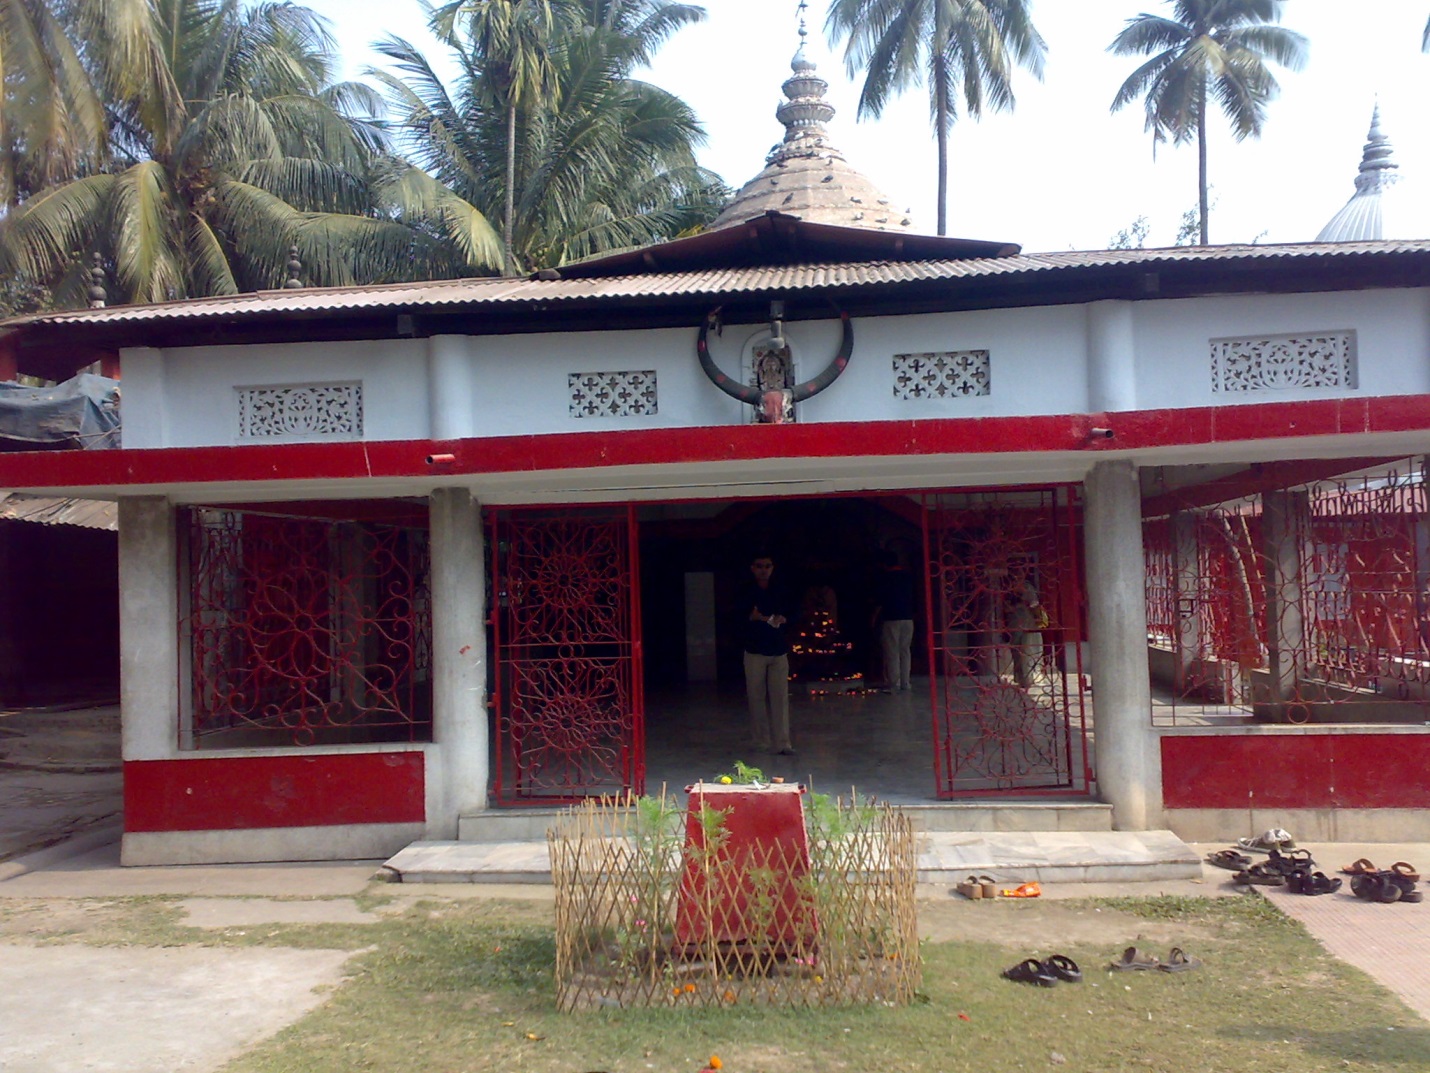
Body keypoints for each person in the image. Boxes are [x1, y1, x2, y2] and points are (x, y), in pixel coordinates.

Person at [741, 553, 795, 754]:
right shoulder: (746, 590)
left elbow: (793, 611)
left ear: (772, 568)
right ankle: (760, 741)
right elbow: (735, 615)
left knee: (780, 698)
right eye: (759, 566)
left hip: (778, 649)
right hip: (755, 650)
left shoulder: (781, 588)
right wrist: (752, 617)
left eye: (767, 566)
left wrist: (784, 618)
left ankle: (783, 743)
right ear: (752, 568)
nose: (764, 570)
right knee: (756, 697)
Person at [871, 550, 916, 692]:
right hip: (908, 618)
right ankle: (905, 682)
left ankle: (893, 683)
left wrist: (873, 618)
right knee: (905, 651)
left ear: (884, 564)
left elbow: (880, 601)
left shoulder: (885, 578)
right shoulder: (908, 576)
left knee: (892, 651)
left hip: (891, 618)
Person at [1008, 584, 1049, 689]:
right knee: (1027, 651)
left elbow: (1033, 604)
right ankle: (1027, 677)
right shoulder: (1014, 588)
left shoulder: (1024, 587)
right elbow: (1034, 604)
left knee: (1024, 651)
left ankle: (1026, 677)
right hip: (1024, 625)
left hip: (1023, 625)